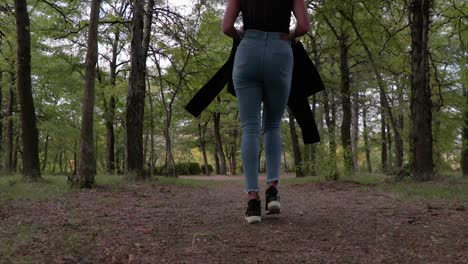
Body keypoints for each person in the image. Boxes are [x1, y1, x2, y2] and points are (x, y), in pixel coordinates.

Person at [222, 0, 310, 224]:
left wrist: (241, 35)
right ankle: (272, 190)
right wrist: (290, 35)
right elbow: (304, 26)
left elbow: (226, 27)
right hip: (279, 52)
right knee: (272, 125)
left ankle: (252, 201)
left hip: (248, 51)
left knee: (249, 127)